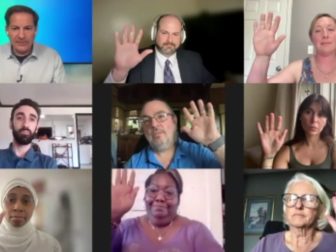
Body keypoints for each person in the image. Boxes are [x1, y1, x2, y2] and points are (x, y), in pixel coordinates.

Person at [111, 169, 224, 252]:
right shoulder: (125, 228)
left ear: (178, 199)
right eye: (153, 190)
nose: (160, 198)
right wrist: (113, 214)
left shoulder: (196, 231)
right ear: (145, 196)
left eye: (169, 192)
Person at [104, 13, 215, 83]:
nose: (170, 40)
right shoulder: (135, 58)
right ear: (154, 33)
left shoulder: (194, 58)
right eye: (164, 33)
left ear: (182, 37)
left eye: (175, 34)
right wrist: (120, 71)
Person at [125, 98, 224, 168]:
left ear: (174, 120)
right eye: (146, 120)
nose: (153, 124)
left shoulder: (200, 153)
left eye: (161, 116)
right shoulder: (133, 163)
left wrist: (215, 141)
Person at [252, 173, 336, 252]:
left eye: (309, 199)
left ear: (321, 209)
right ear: (285, 208)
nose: (298, 205)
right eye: (291, 198)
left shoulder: (333, 243)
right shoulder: (266, 244)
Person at [247, 12, 336, 83]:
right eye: (318, 30)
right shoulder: (297, 69)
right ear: (311, 37)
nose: (325, 35)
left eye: (331, 29)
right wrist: (262, 57)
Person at [257, 94, 336, 169]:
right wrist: (268, 156)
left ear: (327, 120)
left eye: (321, 114)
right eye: (308, 112)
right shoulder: (287, 151)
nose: (314, 120)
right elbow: (272, 182)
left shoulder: (333, 149)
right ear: (300, 116)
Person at [0, 5, 65, 83]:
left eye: (27, 28)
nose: (21, 35)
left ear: (36, 30)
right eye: (15, 28)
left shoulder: (52, 57)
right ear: (7, 30)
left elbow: (61, 94)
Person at [0, 178, 62, 251]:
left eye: (26, 201)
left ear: (34, 207)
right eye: (11, 200)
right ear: (2, 204)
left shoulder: (50, 245)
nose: (18, 207)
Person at [0, 98, 57, 168]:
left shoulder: (48, 164)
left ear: (37, 127)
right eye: (20, 118)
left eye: (32, 119)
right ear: (11, 123)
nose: (25, 124)